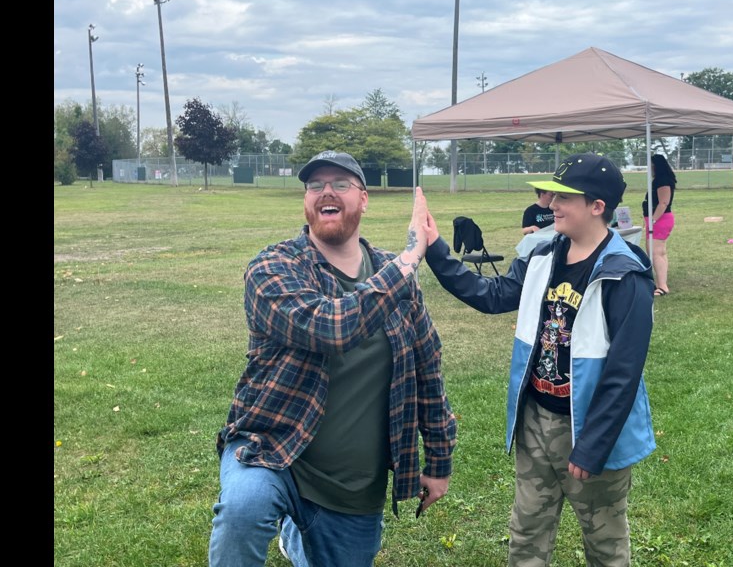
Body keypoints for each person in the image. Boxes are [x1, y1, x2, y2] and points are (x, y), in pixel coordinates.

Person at [208, 150, 457, 567]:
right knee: (242, 511)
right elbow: (330, 327)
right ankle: (291, 520)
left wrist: (439, 458)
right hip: (272, 450)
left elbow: (427, 366)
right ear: (305, 200)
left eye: (341, 184)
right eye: (315, 185)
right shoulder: (273, 267)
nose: (327, 192)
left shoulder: (393, 277)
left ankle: (298, 535)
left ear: (363, 198)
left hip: (352, 483)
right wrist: (411, 257)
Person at [422, 153, 657, 566]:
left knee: (605, 544)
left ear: (597, 207)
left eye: (564, 197)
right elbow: (492, 295)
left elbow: (624, 373)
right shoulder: (542, 255)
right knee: (526, 535)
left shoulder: (626, 273)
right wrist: (436, 251)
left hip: (589, 428)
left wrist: (593, 446)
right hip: (536, 422)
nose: (551, 205)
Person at [641, 154, 677, 297]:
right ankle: (659, 283)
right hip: (655, 219)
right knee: (653, 252)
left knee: (657, 252)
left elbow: (663, 202)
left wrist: (653, 220)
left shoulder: (663, 181)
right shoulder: (658, 180)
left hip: (660, 220)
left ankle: (663, 286)